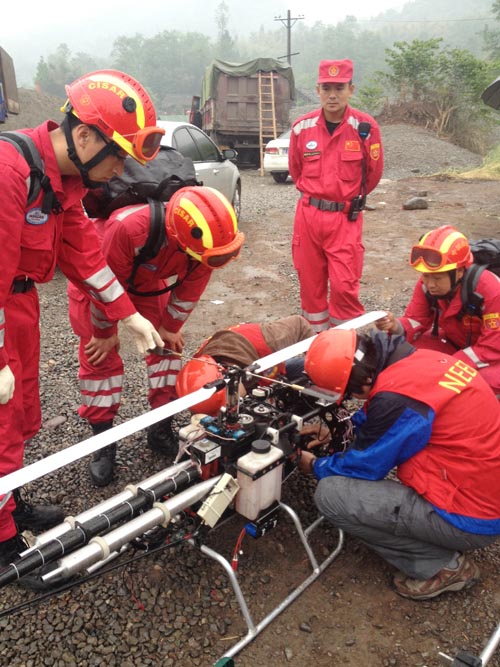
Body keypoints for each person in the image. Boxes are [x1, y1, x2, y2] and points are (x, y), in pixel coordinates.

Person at [0, 70, 166, 577]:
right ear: (87, 136)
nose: (119, 172)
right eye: (117, 156)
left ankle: (11, 506)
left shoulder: (61, 183)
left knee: (21, 417)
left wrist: (128, 315)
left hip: (21, 309)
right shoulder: (9, 172)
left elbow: (86, 258)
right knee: (0, 424)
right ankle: (4, 548)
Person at [299, 327, 500, 600]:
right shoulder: (419, 361)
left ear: (366, 380)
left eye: (351, 394)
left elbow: (364, 466)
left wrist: (314, 466)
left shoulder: (398, 399)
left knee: (331, 495)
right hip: (484, 492)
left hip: (472, 517)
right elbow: (382, 417)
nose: (353, 400)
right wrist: (341, 430)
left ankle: (443, 566)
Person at [69, 184, 244, 486]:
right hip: (99, 280)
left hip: (147, 282)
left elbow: (188, 292)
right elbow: (102, 286)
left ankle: (161, 426)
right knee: (100, 359)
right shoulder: (128, 228)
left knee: (167, 350)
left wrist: (170, 328)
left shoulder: (208, 247)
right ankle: (103, 440)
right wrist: (105, 332)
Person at [288, 59, 384, 332]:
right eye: (327, 88)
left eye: (339, 88)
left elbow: (373, 174)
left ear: (351, 90)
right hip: (308, 217)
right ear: (317, 90)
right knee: (310, 286)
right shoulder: (301, 128)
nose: (333, 95)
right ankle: (315, 343)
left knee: (344, 286)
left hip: (345, 219)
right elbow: (296, 170)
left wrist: (347, 199)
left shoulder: (365, 128)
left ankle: (345, 345)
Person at [376, 225, 500, 395]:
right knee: (406, 355)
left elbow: (492, 347)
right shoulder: (427, 284)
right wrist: (395, 326)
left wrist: (450, 365)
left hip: (493, 355)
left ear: (459, 272)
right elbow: (416, 319)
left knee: (473, 384)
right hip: (459, 343)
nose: (430, 284)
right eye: (425, 276)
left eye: (437, 278)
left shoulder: (490, 289)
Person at [175, 315, 314, 415]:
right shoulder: (196, 371)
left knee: (307, 370)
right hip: (250, 377)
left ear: (230, 375)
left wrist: (317, 367)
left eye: (233, 401)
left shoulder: (271, 339)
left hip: (265, 366)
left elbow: (300, 324)